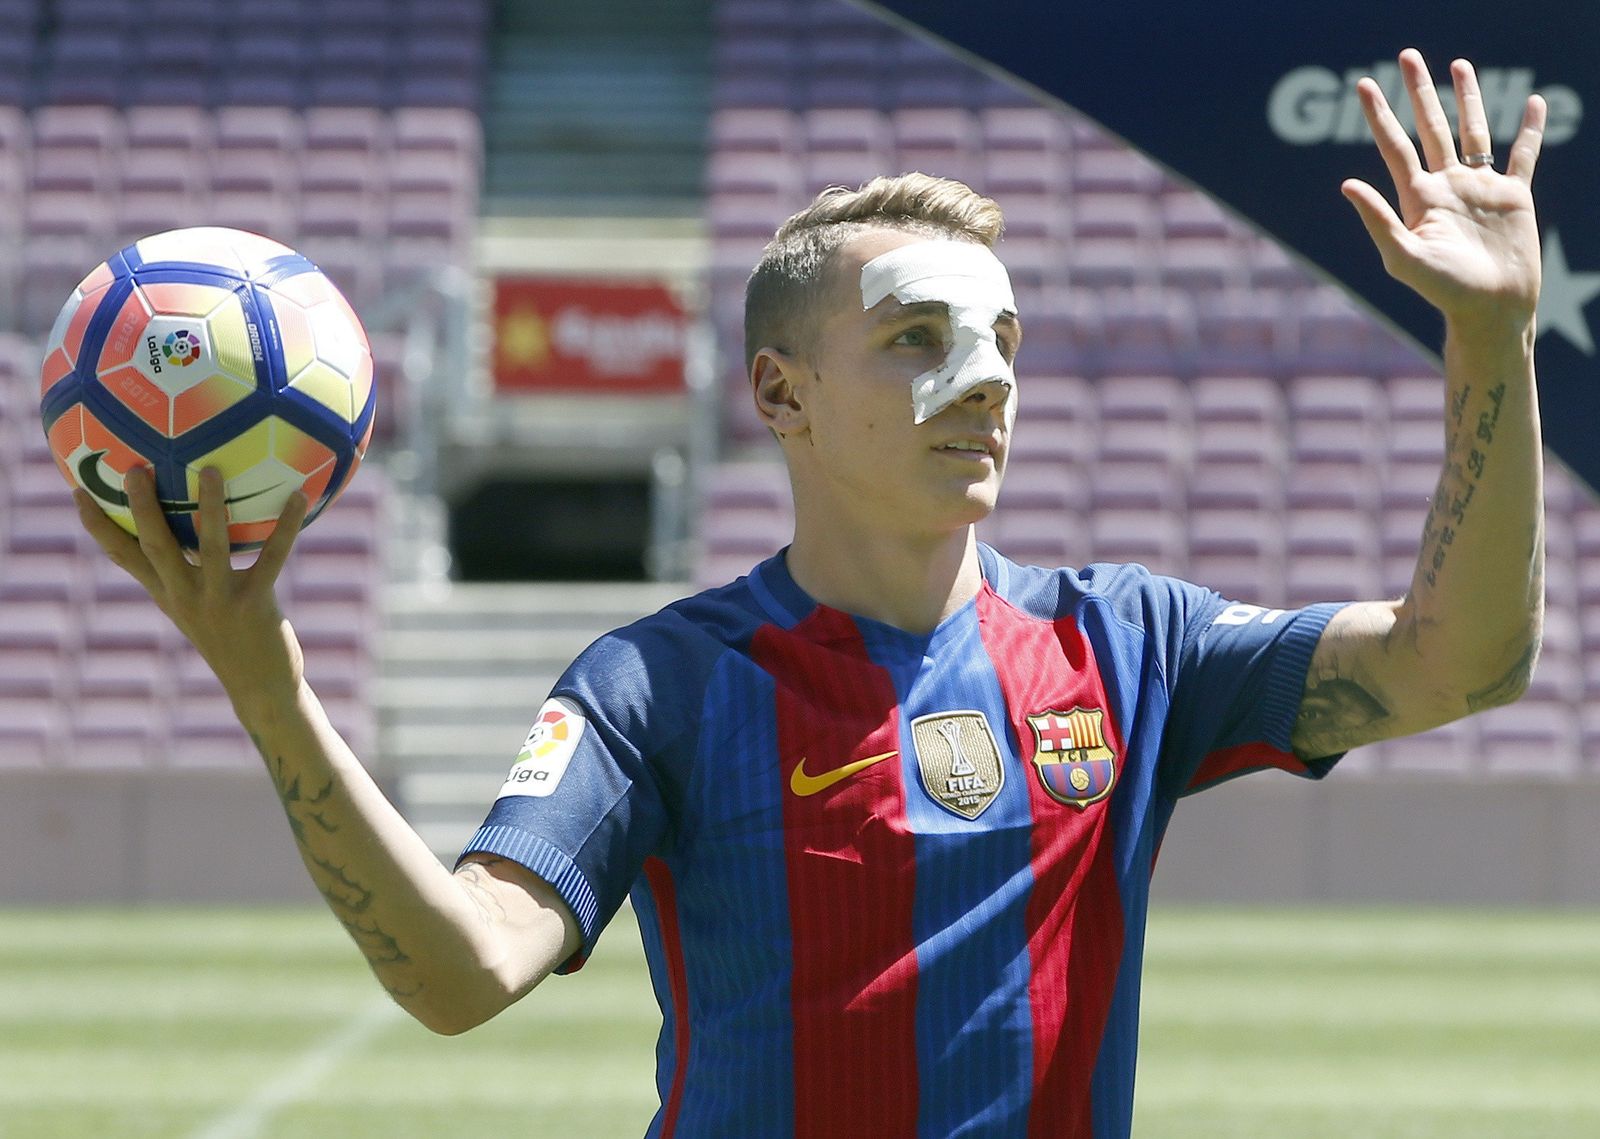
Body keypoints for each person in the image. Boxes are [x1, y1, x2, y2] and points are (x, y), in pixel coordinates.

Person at [76, 50, 1544, 1139]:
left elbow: (1458, 666)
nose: (987, 381)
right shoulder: (659, 686)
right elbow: (461, 974)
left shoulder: (1129, 643)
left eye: (1004, 339)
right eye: (916, 337)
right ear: (779, 391)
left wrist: (1489, 338)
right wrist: (267, 687)